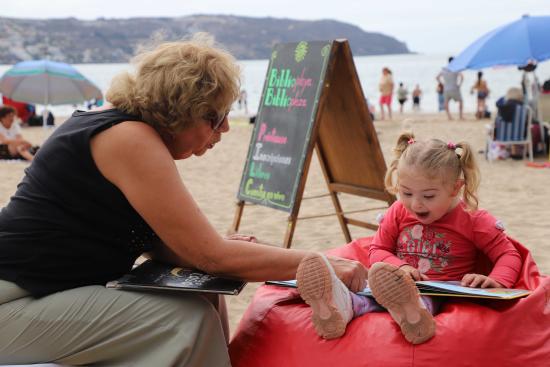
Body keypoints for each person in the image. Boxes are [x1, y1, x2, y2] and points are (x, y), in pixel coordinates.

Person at [0, 36, 367, 366]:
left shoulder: (117, 128)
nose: (223, 129)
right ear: (181, 109)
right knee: (184, 322)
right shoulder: (129, 138)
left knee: (203, 293)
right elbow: (209, 255)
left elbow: (181, 250)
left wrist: (223, 252)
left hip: (32, 291)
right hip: (11, 302)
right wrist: (325, 264)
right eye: (216, 116)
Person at [297, 132, 521, 344]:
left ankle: (413, 317)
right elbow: (377, 250)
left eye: (428, 196)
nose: (416, 204)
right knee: (364, 297)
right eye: (406, 193)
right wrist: (399, 267)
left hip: (438, 291)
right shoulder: (398, 211)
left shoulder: (473, 219)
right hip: (389, 285)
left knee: (419, 300)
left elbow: (508, 254)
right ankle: (334, 308)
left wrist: (497, 281)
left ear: (455, 188)